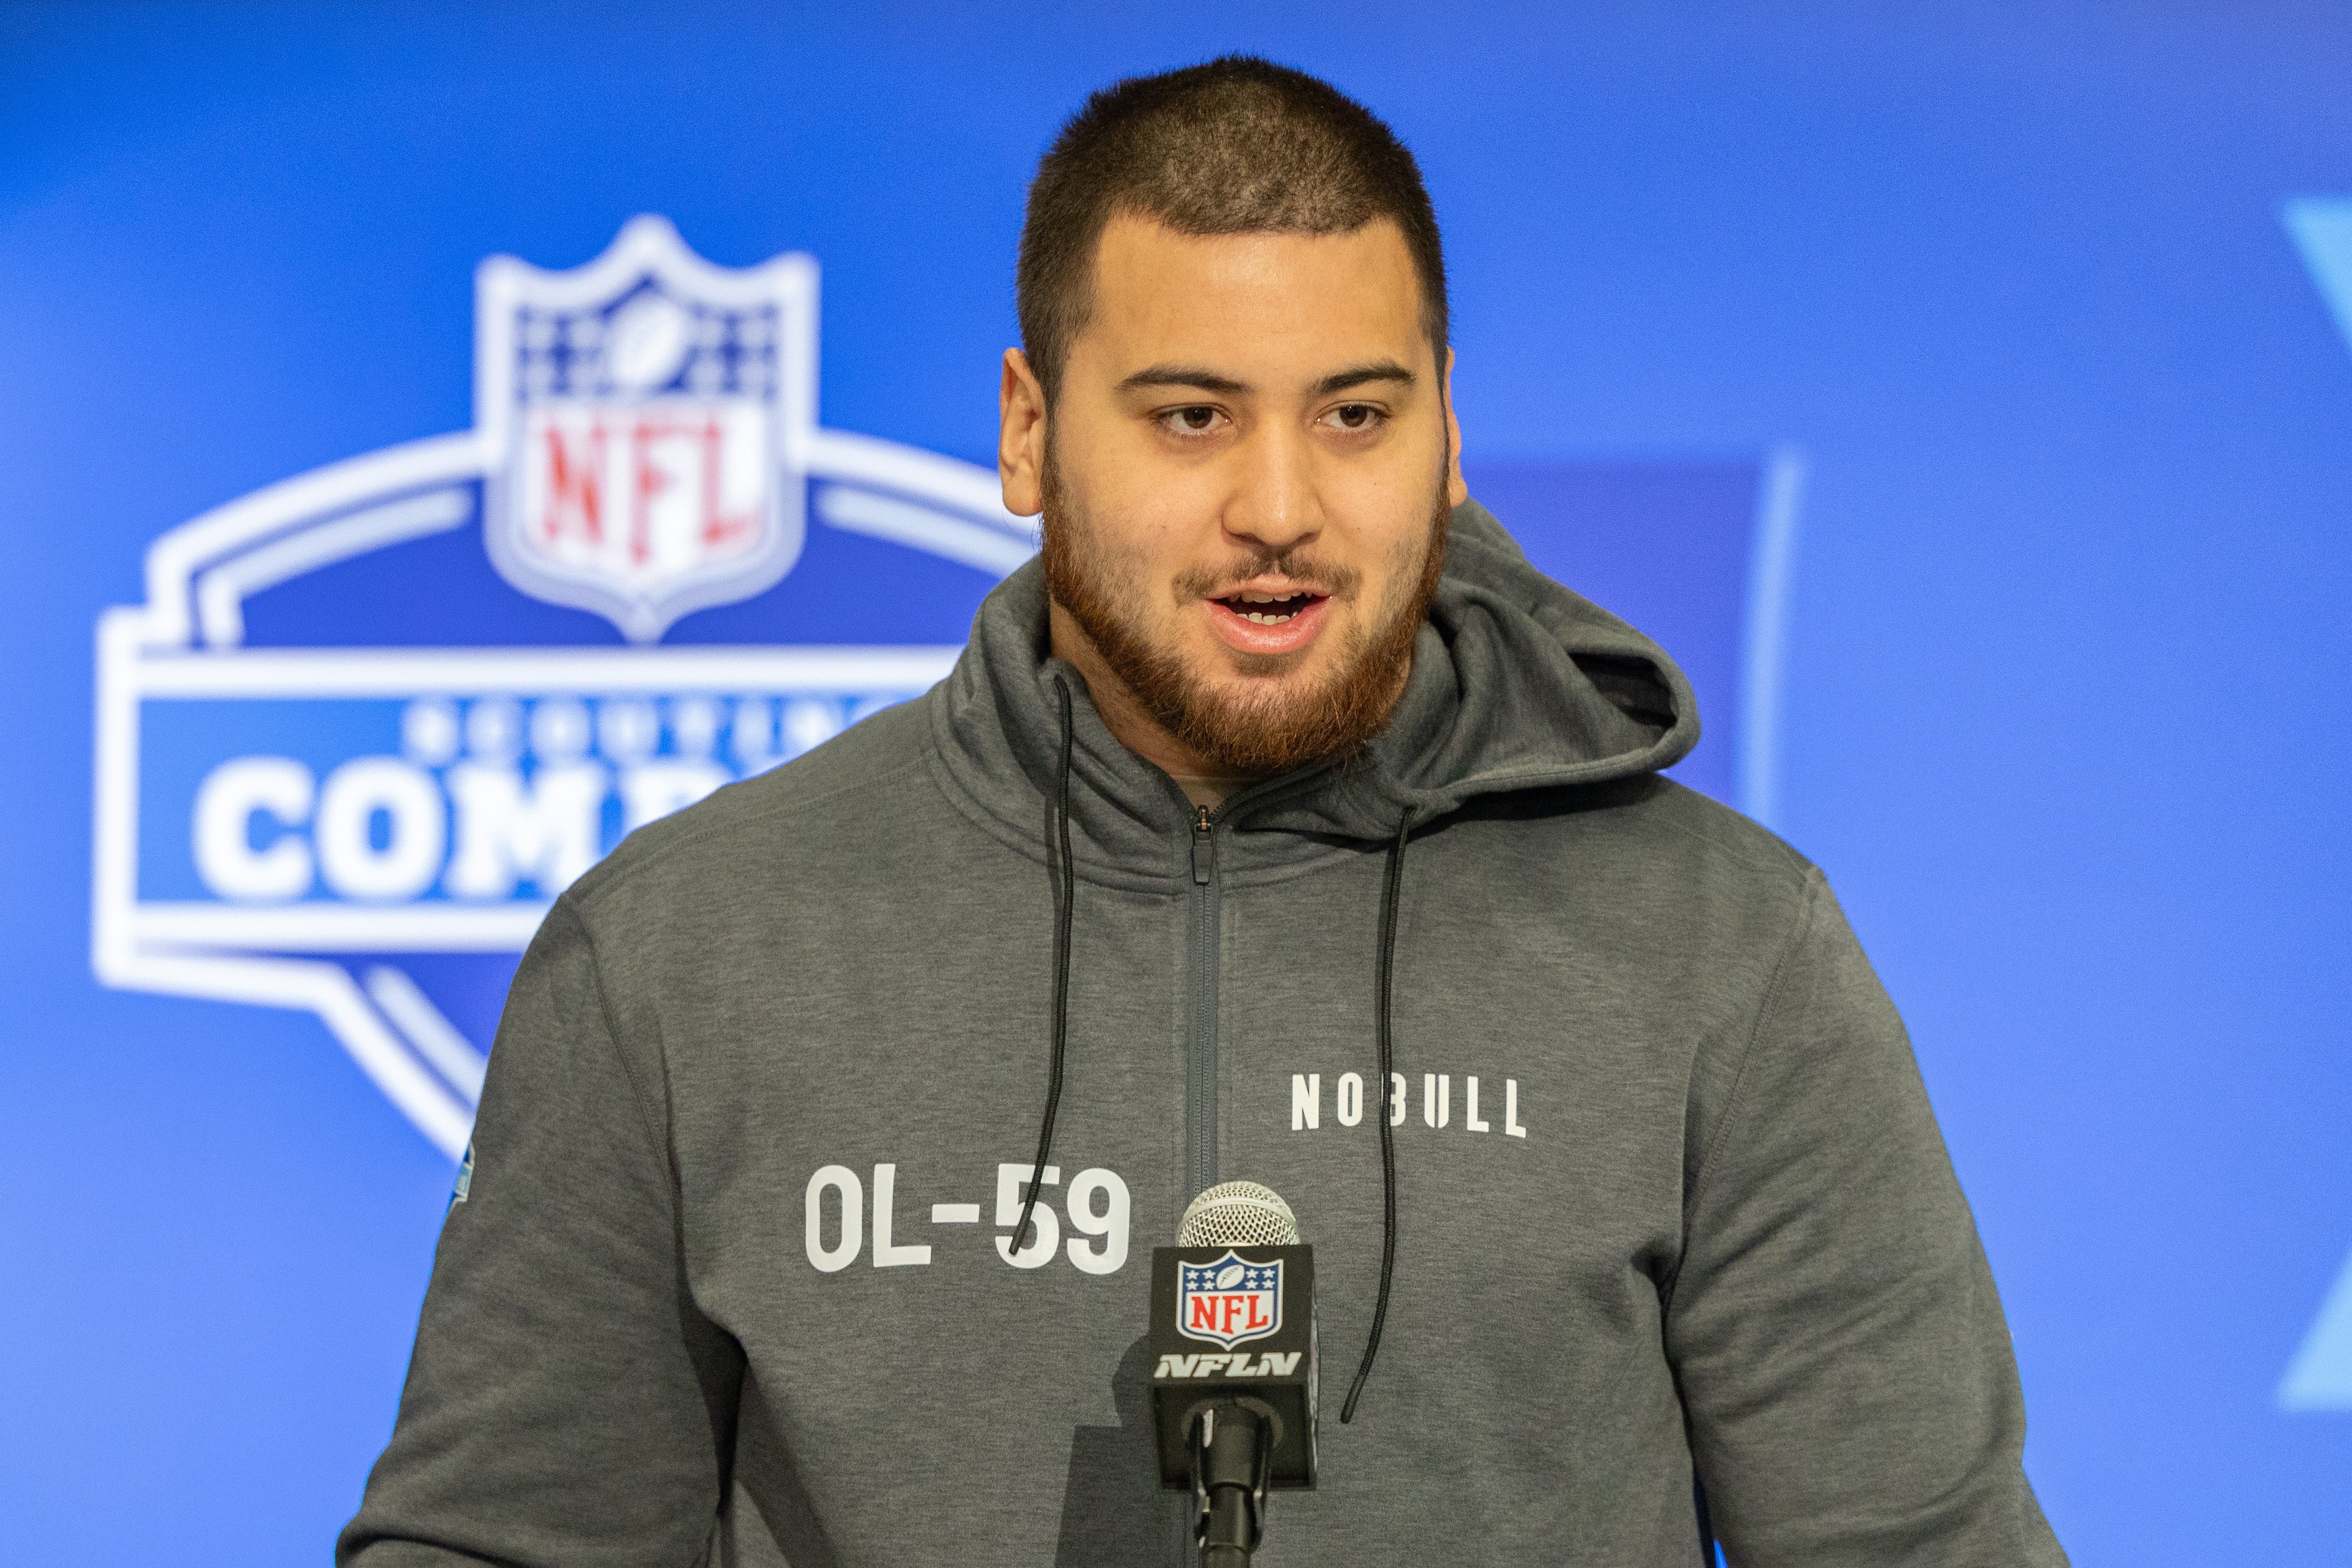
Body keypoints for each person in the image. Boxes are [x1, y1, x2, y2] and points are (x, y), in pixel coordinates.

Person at [341, 56, 2068, 1567]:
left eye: (1357, 417)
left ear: (1449, 438)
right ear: (1030, 433)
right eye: (1191, 417)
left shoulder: (1722, 950)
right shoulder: (682, 949)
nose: (1280, 506)